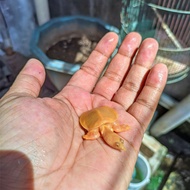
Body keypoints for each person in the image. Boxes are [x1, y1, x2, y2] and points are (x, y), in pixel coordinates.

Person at [0, 32, 167, 190]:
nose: (119, 144)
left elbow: (113, 130)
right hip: (100, 120)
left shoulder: (112, 128)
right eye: (118, 142)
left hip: (105, 119)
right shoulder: (100, 130)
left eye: (117, 143)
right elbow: (93, 134)